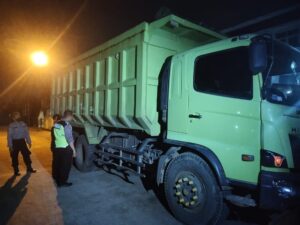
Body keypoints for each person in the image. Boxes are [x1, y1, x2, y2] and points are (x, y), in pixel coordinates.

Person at [7, 111, 36, 176]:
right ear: (13, 118)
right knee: (14, 156)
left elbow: (26, 133)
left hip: (22, 142)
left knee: (26, 155)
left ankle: (29, 168)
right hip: (15, 142)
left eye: (19, 115)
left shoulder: (23, 124)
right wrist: (10, 146)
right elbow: (9, 136)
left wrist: (29, 142)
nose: (19, 116)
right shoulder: (11, 125)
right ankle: (16, 171)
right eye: (17, 115)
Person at [52, 110, 76, 187]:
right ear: (69, 116)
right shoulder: (67, 125)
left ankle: (57, 179)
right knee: (65, 166)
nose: (72, 118)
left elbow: (53, 136)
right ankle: (62, 181)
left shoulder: (56, 124)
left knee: (58, 164)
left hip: (57, 148)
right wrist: (74, 150)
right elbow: (69, 139)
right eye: (72, 116)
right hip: (65, 149)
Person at [51, 114, 61, 181]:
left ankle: (54, 174)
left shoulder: (54, 126)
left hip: (54, 145)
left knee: (55, 161)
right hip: (56, 146)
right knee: (57, 161)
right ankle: (56, 175)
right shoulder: (56, 126)